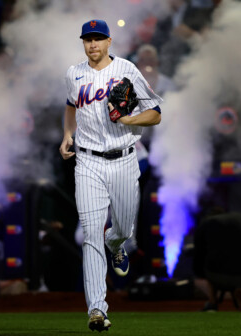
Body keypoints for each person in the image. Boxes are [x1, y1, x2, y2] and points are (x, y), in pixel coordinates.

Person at [59, 19, 163, 332]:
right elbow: (70, 106)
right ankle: (96, 310)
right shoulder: (73, 74)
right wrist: (67, 133)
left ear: (109, 41)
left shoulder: (128, 70)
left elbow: (156, 113)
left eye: (98, 39)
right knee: (90, 235)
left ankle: (115, 243)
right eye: (87, 40)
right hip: (87, 162)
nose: (93, 45)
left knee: (122, 228)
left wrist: (130, 118)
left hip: (123, 161)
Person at [193, 208, 241, 312]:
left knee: (210, 265)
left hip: (216, 276)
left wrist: (199, 273)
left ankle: (212, 302)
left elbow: (198, 253)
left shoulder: (206, 223)